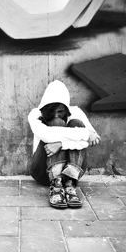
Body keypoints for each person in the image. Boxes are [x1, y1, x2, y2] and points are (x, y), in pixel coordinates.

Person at [28, 80, 100, 208]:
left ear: (66, 109)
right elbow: (47, 135)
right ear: (45, 108)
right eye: (51, 111)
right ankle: (56, 185)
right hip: (42, 171)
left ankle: (69, 185)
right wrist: (84, 134)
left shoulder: (76, 112)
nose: (56, 115)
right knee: (57, 123)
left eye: (60, 112)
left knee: (76, 123)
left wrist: (61, 144)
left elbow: (94, 139)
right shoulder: (35, 114)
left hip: (74, 171)